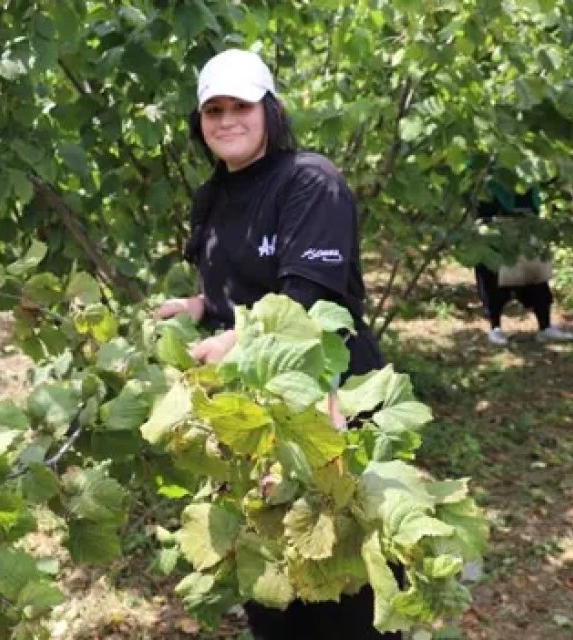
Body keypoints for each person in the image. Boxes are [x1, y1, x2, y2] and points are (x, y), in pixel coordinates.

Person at [153, 48, 394, 640]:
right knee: (267, 572)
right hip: (250, 413)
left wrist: (236, 339)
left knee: (341, 580)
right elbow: (238, 288)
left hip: (329, 403)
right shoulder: (214, 195)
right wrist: (200, 307)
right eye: (214, 108)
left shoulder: (309, 182)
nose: (227, 119)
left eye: (242, 105)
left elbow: (307, 301)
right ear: (199, 120)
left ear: (271, 110)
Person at [472, 176, 573, 346]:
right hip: (492, 220)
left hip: (526, 219)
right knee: (492, 275)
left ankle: (545, 326)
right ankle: (495, 327)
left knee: (535, 274)